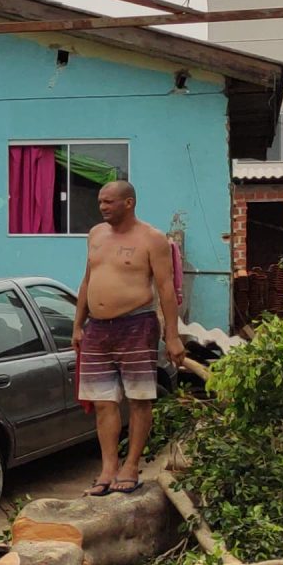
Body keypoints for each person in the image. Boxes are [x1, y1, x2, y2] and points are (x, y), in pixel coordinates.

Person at [74, 179, 185, 494]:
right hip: (97, 328)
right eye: (100, 202)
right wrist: (77, 324)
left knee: (139, 399)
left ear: (129, 203)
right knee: (103, 402)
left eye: (109, 202)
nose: (102, 207)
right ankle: (108, 467)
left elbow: (165, 288)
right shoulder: (95, 235)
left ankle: (131, 465)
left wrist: (173, 336)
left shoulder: (152, 239)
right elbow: (87, 280)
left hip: (137, 325)